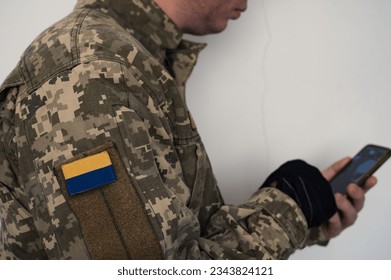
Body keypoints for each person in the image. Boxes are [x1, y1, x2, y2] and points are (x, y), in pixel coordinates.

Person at [0, 0, 376, 260]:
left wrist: (307, 217)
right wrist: (287, 211)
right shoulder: (89, 72)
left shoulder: (128, 56)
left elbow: (171, 243)